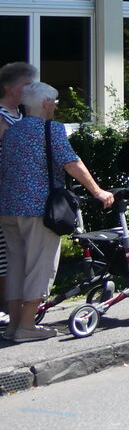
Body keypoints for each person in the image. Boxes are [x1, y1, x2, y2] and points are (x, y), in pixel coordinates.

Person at [0, 82, 113, 342]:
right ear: (46, 104)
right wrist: (98, 191)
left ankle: (14, 325)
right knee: (41, 265)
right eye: (55, 103)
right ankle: (27, 327)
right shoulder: (52, 129)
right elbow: (71, 162)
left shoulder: (12, 132)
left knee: (16, 266)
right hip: (40, 209)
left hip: (8, 208)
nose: (55, 108)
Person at [0, 61, 37, 331]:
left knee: (14, 257)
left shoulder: (21, 116)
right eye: (27, 84)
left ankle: (14, 313)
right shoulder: (2, 117)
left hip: (16, 195)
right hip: (5, 193)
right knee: (5, 257)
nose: (31, 89)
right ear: (10, 87)